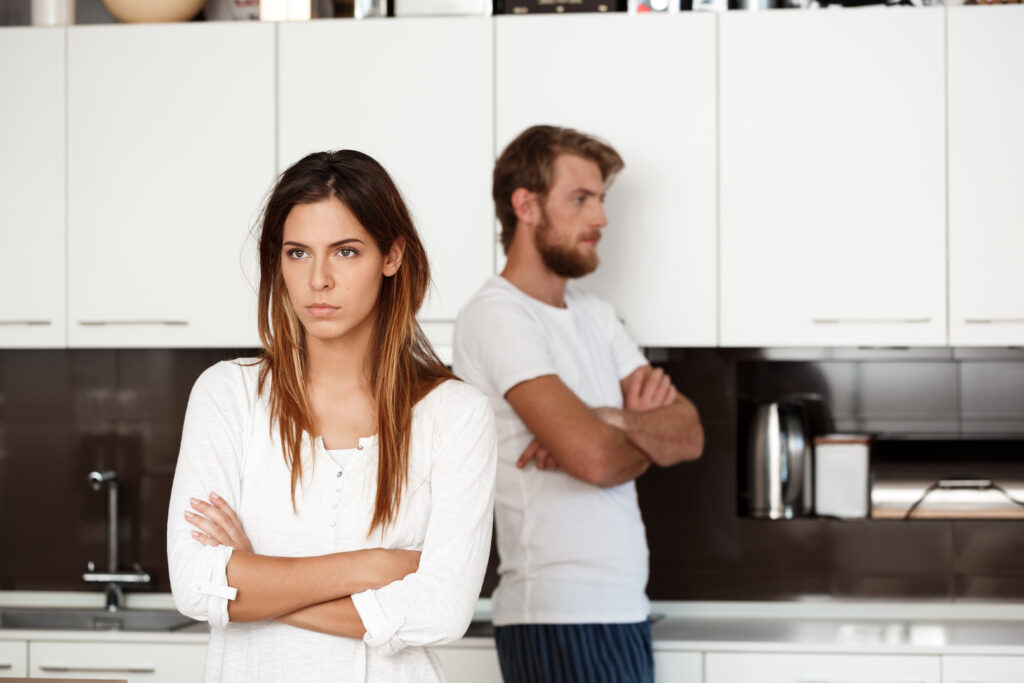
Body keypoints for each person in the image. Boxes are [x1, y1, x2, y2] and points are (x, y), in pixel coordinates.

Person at [167, 150, 496, 683]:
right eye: (298, 253)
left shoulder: (456, 415)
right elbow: (193, 584)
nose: (318, 279)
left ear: (391, 256)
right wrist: (372, 567)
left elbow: (440, 611)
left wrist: (256, 584)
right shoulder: (227, 395)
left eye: (345, 251)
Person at [452, 125, 704, 683]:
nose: (602, 219)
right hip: (556, 615)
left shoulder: (595, 314)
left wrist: (606, 418)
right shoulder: (498, 315)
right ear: (527, 206)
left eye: (601, 200)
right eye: (580, 199)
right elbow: (595, 462)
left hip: (622, 609)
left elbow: (689, 433)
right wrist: (628, 436)